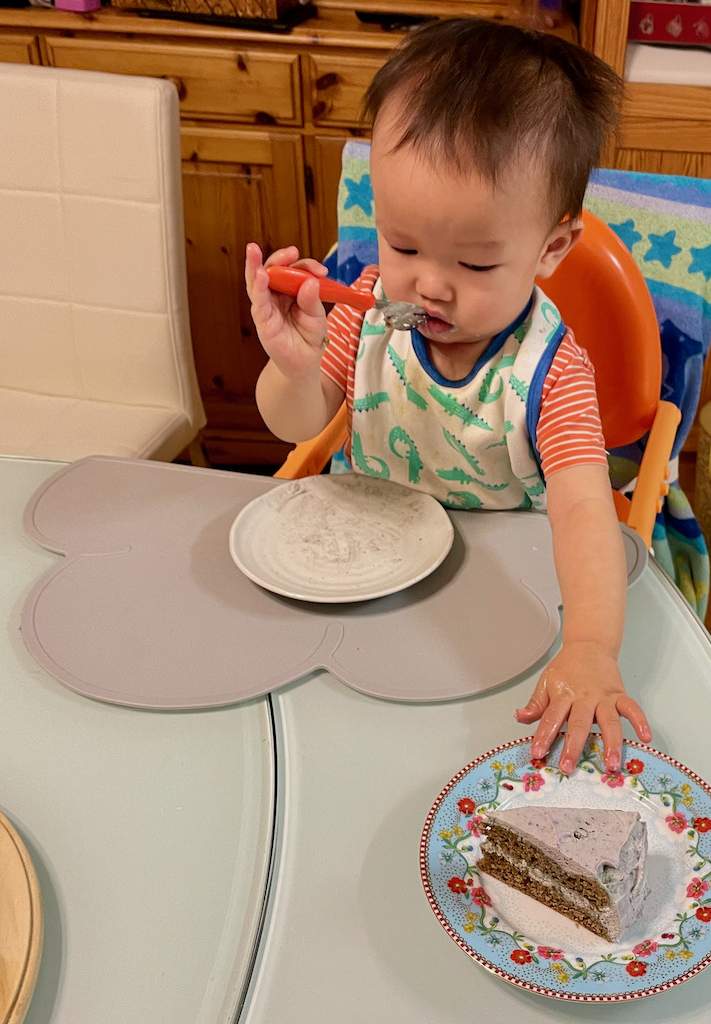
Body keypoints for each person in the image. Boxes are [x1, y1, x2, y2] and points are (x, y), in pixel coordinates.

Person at [245, 18, 652, 774]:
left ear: (550, 250)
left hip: (495, 592)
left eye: (472, 261)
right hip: (364, 571)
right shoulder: (366, 312)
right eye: (402, 245)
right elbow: (294, 426)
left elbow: (586, 512)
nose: (427, 283)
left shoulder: (550, 374)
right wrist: (295, 370)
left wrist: (592, 645)